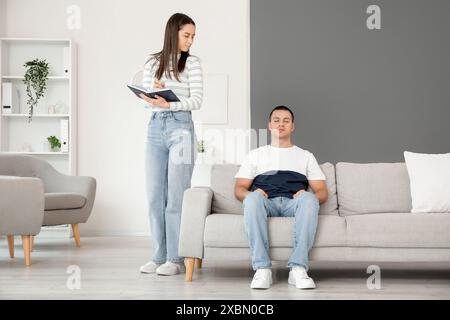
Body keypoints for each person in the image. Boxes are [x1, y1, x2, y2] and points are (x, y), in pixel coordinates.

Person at [234, 106, 328, 289]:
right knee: (251, 199)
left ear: (293, 126)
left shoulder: (305, 156)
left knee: (310, 199)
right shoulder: (255, 155)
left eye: (286, 120)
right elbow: (239, 189)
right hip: (266, 202)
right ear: (269, 125)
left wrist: (308, 194)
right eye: (276, 120)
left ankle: (298, 269)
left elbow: (322, 193)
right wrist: (251, 194)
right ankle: (262, 270)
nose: (281, 124)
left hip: (294, 203)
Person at [139, 13, 203, 276]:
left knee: (176, 197)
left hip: (181, 127)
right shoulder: (152, 62)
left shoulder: (193, 63)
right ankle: (158, 255)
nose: (190, 41)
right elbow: (144, 101)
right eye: (186, 35)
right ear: (173, 32)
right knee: (155, 196)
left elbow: (197, 100)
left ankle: (175, 259)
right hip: (156, 126)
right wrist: (153, 94)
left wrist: (170, 103)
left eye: (193, 36)